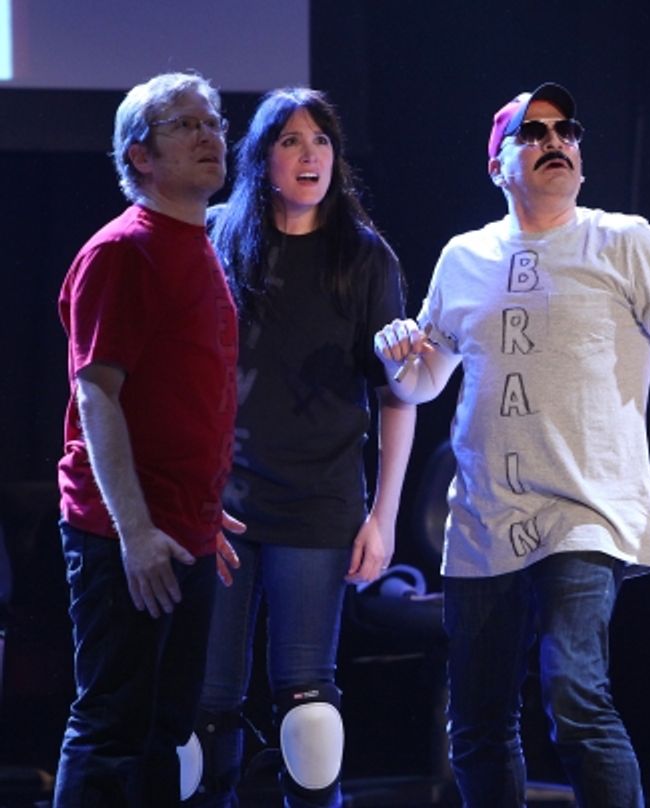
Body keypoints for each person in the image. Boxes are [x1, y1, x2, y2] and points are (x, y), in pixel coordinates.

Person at [373, 82, 650, 806]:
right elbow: (423, 386)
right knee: (476, 723)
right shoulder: (463, 257)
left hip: (586, 509)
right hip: (483, 517)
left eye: (566, 130)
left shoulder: (623, 241)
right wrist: (396, 361)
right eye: (532, 133)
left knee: (575, 694)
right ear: (497, 165)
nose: (555, 142)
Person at [189, 88, 415, 808]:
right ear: (262, 158)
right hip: (219, 506)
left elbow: (397, 393)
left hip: (319, 506)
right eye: (290, 140)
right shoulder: (219, 237)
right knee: (204, 706)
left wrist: (383, 516)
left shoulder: (364, 256)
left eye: (321, 139)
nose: (310, 152)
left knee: (308, 708)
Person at [55, 71, 240, 807]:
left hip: (184, 527)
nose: (209, 136)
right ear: (140, 155)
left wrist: (202, 507)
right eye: (186, 126)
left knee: (166, 731)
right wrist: (135, 532)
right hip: (126, 533)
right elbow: (97, 395)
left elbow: (188, 393)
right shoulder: (123, 251)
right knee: (111, 728)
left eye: (214, 122)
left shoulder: (198, 245)